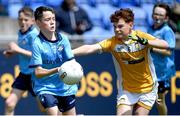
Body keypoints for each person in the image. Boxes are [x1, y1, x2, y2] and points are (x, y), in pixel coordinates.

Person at [73, 8, 169, 115]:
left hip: (147, 89)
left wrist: (144, 41)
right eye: (114, 27)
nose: (116, 30)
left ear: (131, 25)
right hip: (126, 91)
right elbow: (90, 48)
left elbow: (165, 45)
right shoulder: (113, 43)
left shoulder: (141, 37)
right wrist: (70, 53)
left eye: (120, 26)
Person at [29, 6, 78, 115]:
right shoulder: (36, 43)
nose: (52, 22)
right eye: (47, 20)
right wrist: (58, 69)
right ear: (38, 23)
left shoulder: (63, 39)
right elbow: (38, 72)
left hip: (65, 87)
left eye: (53, 19)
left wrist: (76, 70)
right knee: (53, 112)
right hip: (45, 87)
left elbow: (72, 62)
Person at [3, 7, 39, 115]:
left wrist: (17, 49)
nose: (22, 22)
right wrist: (12, 52)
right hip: (24, 75)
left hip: (36, 76)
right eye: (20, 19)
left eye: (26, 20)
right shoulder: (21, 32)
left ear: (33, 21)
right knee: (9, 103)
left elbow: (37, 56)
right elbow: (25, 50)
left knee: (46, 108)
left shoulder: (34, 35)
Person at [148, 3, 176, 115]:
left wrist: (152, 49)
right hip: (150, 71)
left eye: (160, 15)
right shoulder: (149, 29)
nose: (157, 17)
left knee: (159, 101)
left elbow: (168, 51)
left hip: (162, 73)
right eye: (155, 14)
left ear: (166, 18)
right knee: (143, 100)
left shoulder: (167, 31)